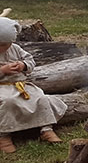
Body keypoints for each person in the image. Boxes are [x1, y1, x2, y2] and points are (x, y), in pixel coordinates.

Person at [0, 17, 66, 153]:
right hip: (2, 86)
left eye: (5, 44)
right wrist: (2, 71)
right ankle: (4, 135)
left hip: (21, 85)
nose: (2, 47)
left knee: (41, 99)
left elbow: (30, 61)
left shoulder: (16, 49)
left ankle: (46, 129)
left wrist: (23, 65)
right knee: (8, 102)